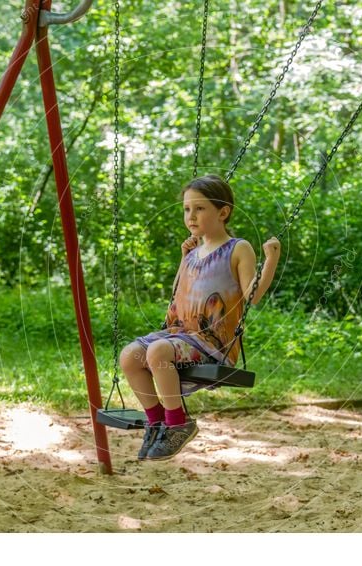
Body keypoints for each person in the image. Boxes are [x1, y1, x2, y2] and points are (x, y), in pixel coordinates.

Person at [119, 174, 281, 461]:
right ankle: (157, 423)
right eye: (186, 209)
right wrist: (184, 258)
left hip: (212, 342)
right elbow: (177, 294)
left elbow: (252, 295)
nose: (191, 216)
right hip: (180, 334)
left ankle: (178, 423)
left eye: (199, 208)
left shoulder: (238, 248)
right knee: (130, 356)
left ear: (223, 212)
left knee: (157, 351)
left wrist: (271, 260)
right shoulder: (193, 250)